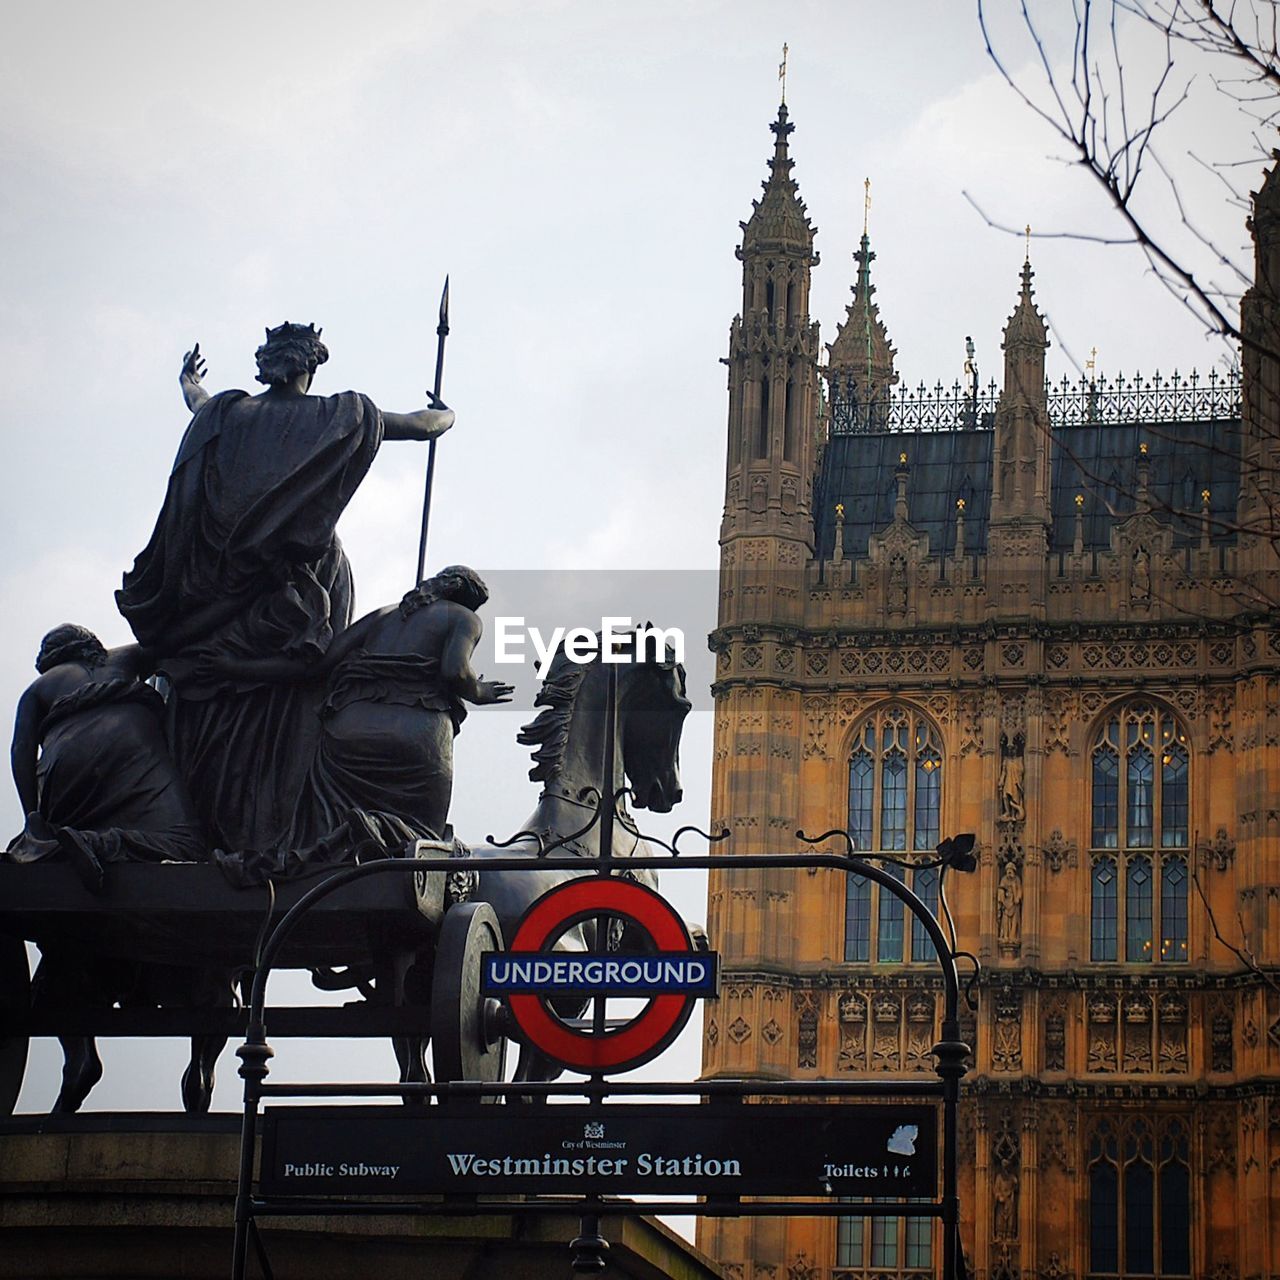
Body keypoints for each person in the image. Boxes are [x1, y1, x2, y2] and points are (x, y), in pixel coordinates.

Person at [116, 325, 453, 850]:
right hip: (289, 601)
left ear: (266, 365)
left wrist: (187, 380)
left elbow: (197, 402)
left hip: (213, 605)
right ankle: (273, 833)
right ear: (309, 368)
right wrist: (447, 412)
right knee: (295, 699)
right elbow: (419, 425)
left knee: (207, 714)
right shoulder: (339, 414)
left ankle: (199, 828)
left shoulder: (224, 413)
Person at [202, 567, 512, 882]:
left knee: (327, 818)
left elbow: (317, 665)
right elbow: (455, 672)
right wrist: (480, 691)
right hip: (415, 731)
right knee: (420, 837)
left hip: (349, 726)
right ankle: (370, 844)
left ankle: (306, 867)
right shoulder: (465, 619)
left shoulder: (384, 615)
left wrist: (235, 667)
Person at [6, 624, 205, 891]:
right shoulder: (124, 656)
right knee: (186, 842)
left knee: (60, 829)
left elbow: (21, 751)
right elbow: (178, 639)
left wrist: (33, 820)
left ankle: (69, 842)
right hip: (130, 742)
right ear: (89, 644)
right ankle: (94, 843)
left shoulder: (37, 688)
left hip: (64, 758)